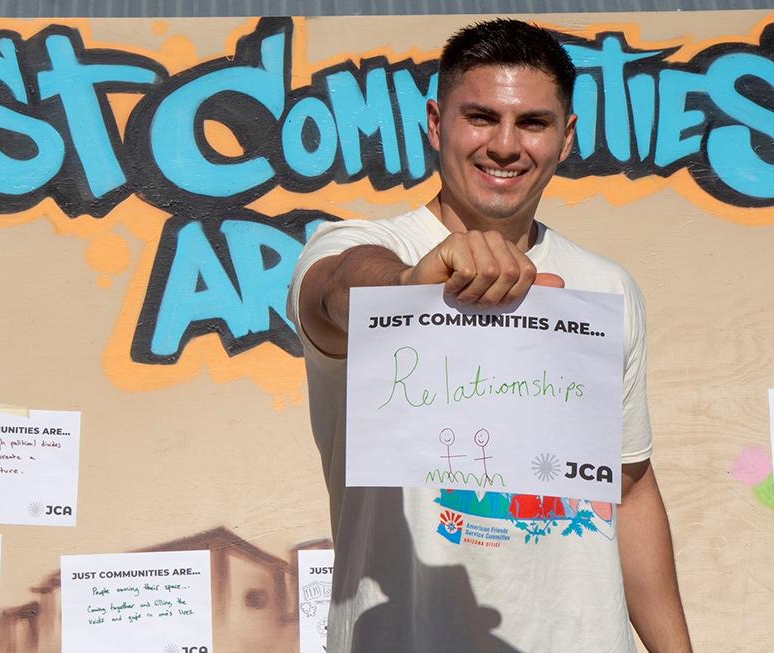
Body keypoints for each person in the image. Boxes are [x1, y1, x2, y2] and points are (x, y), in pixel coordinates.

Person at [287, 19, 692, 652]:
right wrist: (411, 285)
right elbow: (336, 289)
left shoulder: (606, 287)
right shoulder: (361, 250)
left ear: (566, 139)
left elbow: (630, 490)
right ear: (435, 123)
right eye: (480, 117)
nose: (505, 145)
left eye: (532, 122)